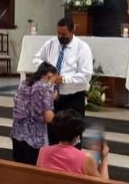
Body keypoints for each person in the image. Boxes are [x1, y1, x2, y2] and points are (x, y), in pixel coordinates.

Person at [33, 17, 93, 145]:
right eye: (58, 33)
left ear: (72, 31)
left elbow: (86, 75)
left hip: (73, 98)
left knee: (73, 136)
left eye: (64, 34)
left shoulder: (82, 48)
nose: (60, 37)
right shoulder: (51, 43)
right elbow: (36, 59)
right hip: (53, 98)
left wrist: (63, 79)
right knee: (53, 134)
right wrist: (46, 71)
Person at [10, 62, 57, 166]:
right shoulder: (44, 87)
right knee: (32, 171)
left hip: (18, 134)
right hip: (34, 138)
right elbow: (48, 117)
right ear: (49, 76)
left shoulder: (24, 83)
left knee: (19, 168)